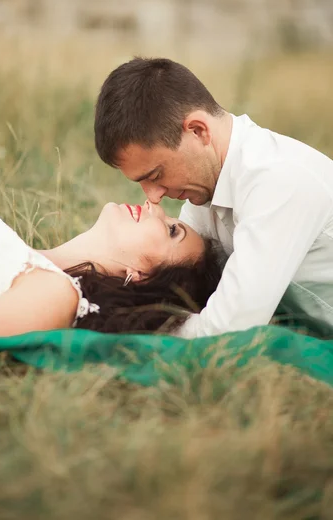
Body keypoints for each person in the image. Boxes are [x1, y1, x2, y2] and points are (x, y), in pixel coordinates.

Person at [94, 57, 333, 338]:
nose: (154, 197)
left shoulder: (279, 181)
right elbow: (176, 290)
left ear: (198, 131)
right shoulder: (206, 193)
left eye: (156, 175)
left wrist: (134, 333)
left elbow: (228, 330)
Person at [0, 198, 223, 366]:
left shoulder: (54, 295)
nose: (154, 205)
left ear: (143, 276)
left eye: (172, 230)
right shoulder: (23, 258)